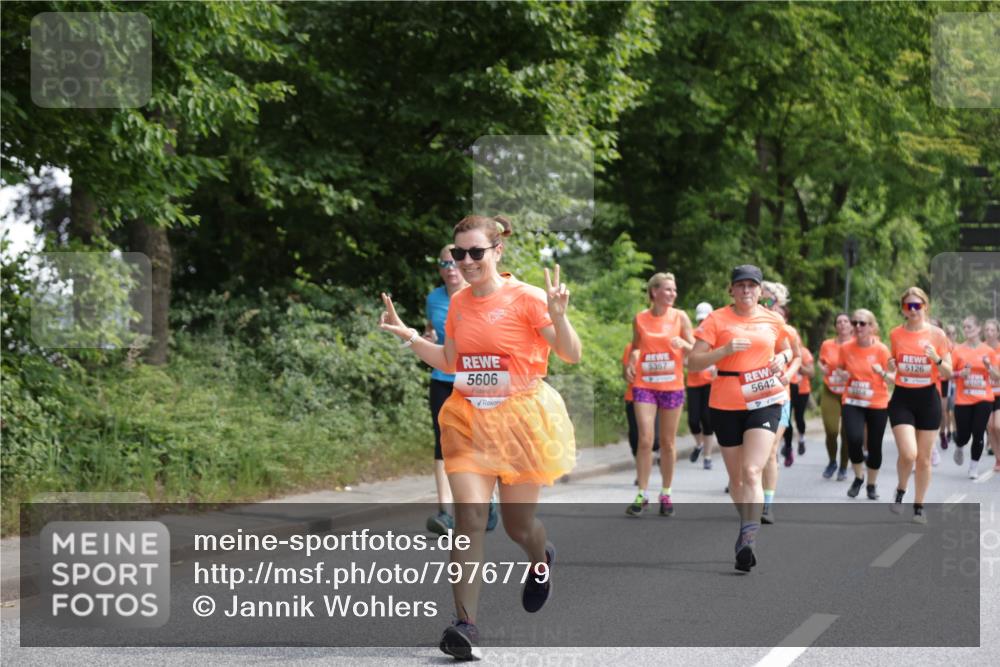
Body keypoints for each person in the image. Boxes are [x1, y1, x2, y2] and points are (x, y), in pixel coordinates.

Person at [378, 215, 581, 659]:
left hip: (520, 422)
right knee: (469, 518)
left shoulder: (528, 299)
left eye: (475, 253)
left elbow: (571, 353)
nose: (466, 262)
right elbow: (450, 358)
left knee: (517, 526)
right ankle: (465, 624)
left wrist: (560, 318)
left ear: (497, 252)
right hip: (468, 418)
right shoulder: (459, 304)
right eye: (458, 254)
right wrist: (411, 336)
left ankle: (539, 557)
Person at [689, 265, 792, 572]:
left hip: (765, 398)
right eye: (741, 285)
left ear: (761, 291)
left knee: (751, 470)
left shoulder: (773, 319)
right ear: (731, 290)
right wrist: (723, 350)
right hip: (726, 400)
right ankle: (746, 522)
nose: (746, 290)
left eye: (752, 286)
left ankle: (748, 537)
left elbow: (788, 349)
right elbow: (693, 362)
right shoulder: (716, 319)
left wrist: (781, 359)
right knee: (736, 480)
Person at [425, 244, 496, 535]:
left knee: (478, 441)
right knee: (443, 442)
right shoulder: (434, 298)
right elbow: (433, 330)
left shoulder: (479, 296)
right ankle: (445, 512)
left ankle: (486, 498)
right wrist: (427, 335)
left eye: (453, 263)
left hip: (474, 379)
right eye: (444, 264)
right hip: (442, 377)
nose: (450, 269)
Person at [624, 272, 694, 516]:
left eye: (674, 290)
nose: (672, 294)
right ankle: (642, 493)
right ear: (654, 292)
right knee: (645, 439)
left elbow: (696, 348)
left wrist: (682, 344)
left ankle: (666, 492)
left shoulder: (680, 317)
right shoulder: (640, 319)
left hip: (672, 386)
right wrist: (630, 363)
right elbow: (635, 347)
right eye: (667, 289)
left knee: (668, 442)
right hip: (645, 385)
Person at [885, 287, 951, 524]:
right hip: (902, 398)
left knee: (923, 459)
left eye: (917, 305)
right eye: (908, 306)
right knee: (909, 453)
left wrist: (936, 358)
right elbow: (892, 363)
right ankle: (901, 489)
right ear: (903, 309)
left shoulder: (937, 335)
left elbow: (949, 371)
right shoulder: (895, 334)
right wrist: (891, 367)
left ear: (925, 306)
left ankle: (919, 506)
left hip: (928, 400)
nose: (912, 310)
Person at [831, 309, 891, 500]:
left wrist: (881, 372)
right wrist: (842, 375)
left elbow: (893, 378)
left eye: (862, 323)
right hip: (852, 400)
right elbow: (839, 370)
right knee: (854, 439)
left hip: (877, 402)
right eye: (855, 322)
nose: (857, 327)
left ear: (872, 327)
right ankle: (858, 477)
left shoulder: (881, 349)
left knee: (874, 446)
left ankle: (871, 485)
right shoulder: (846, 348)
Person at [758, 284, 801, 524]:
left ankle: (767, 504)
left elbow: (797, 356)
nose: (766, 306)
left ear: (779, 304)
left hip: (778, 395)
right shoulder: (746, 324)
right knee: (753, 453)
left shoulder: (782, 328)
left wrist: (788, 372)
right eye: (761, 301)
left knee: (771, 448)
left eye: (770, 302)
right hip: (750, 396)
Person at [950, 315, 996, 479]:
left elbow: (997, 377)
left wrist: (989, 367)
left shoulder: (988, 352)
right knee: (964, 435)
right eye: (964, 327)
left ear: (978, 329)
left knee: (978, 432)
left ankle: (973, 467)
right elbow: (948, 374)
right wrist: (959, 373)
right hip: (963, 400)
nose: (966, 330)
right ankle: (960, 445)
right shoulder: (958, 350)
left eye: (969, 327)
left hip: (984, 398)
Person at [818, 313, 853, 480]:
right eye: (839, 322)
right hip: (830, 390)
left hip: (851, 392)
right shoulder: (827, 344)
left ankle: (843, 467)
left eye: (846, 321)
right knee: (831, 430)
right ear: (835, 326)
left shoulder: (856, 345)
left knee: (847, 432)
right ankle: (832, 461)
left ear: (851, 326)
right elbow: (821, 361)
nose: (843, 324)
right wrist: (821, 367)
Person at [686, 302, 717, 470]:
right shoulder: (692, 335)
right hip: (693, 383)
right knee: (692, 420)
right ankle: (699, 445)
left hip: (709, 383)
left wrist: (716, 369)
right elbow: (685, 358)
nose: (702, 323)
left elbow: (721, 357)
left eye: (705, 319)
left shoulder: (716, 336)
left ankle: (707, 456)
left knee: (707, 420)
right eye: (700, 320)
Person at [623, 342, 661, 478]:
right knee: (635, 437)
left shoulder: (659, 346)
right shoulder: (630, 348)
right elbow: (625, 374)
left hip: (653, 398)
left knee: (653, 439)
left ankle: (659, 455)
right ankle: (641, 473)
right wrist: (629, 369)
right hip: (633, 397)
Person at [985, 318, 1000, 471]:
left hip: (999, 393)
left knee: (998, 425)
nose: (989, 333)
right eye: (987, 330)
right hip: (985, 394)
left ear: (997, 333)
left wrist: (990, 368)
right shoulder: (981, 350)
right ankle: (998, 459)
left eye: (992, 330)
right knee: (990, 426)